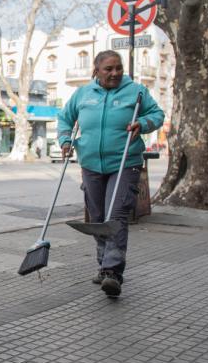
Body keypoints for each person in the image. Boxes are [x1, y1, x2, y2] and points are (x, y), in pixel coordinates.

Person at [57, 50, 164, 297]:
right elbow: (65, 118)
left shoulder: (136, 91)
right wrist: (65, 139)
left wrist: (143, 124)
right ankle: (104, 265)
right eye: (108, 69)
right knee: (97, 217)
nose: (115, 73)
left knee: (115, 214)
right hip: (91, 164)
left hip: (125, 162)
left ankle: (113, 271)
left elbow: (157, 114)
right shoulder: (83, 94)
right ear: (96, 71)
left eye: (119, 68)